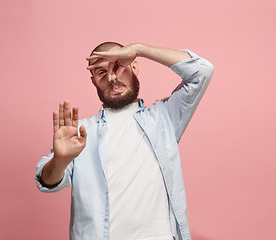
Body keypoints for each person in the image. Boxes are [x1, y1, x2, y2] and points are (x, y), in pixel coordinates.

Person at [35, 42, 214, 240]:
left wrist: (139, 49)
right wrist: (60, 160)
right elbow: (47, 181)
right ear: (94, 81)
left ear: (134, 67)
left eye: (118, 66)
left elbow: (202, 71)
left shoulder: (164, 118)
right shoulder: (79, 134)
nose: (112, 77)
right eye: (101, 72)